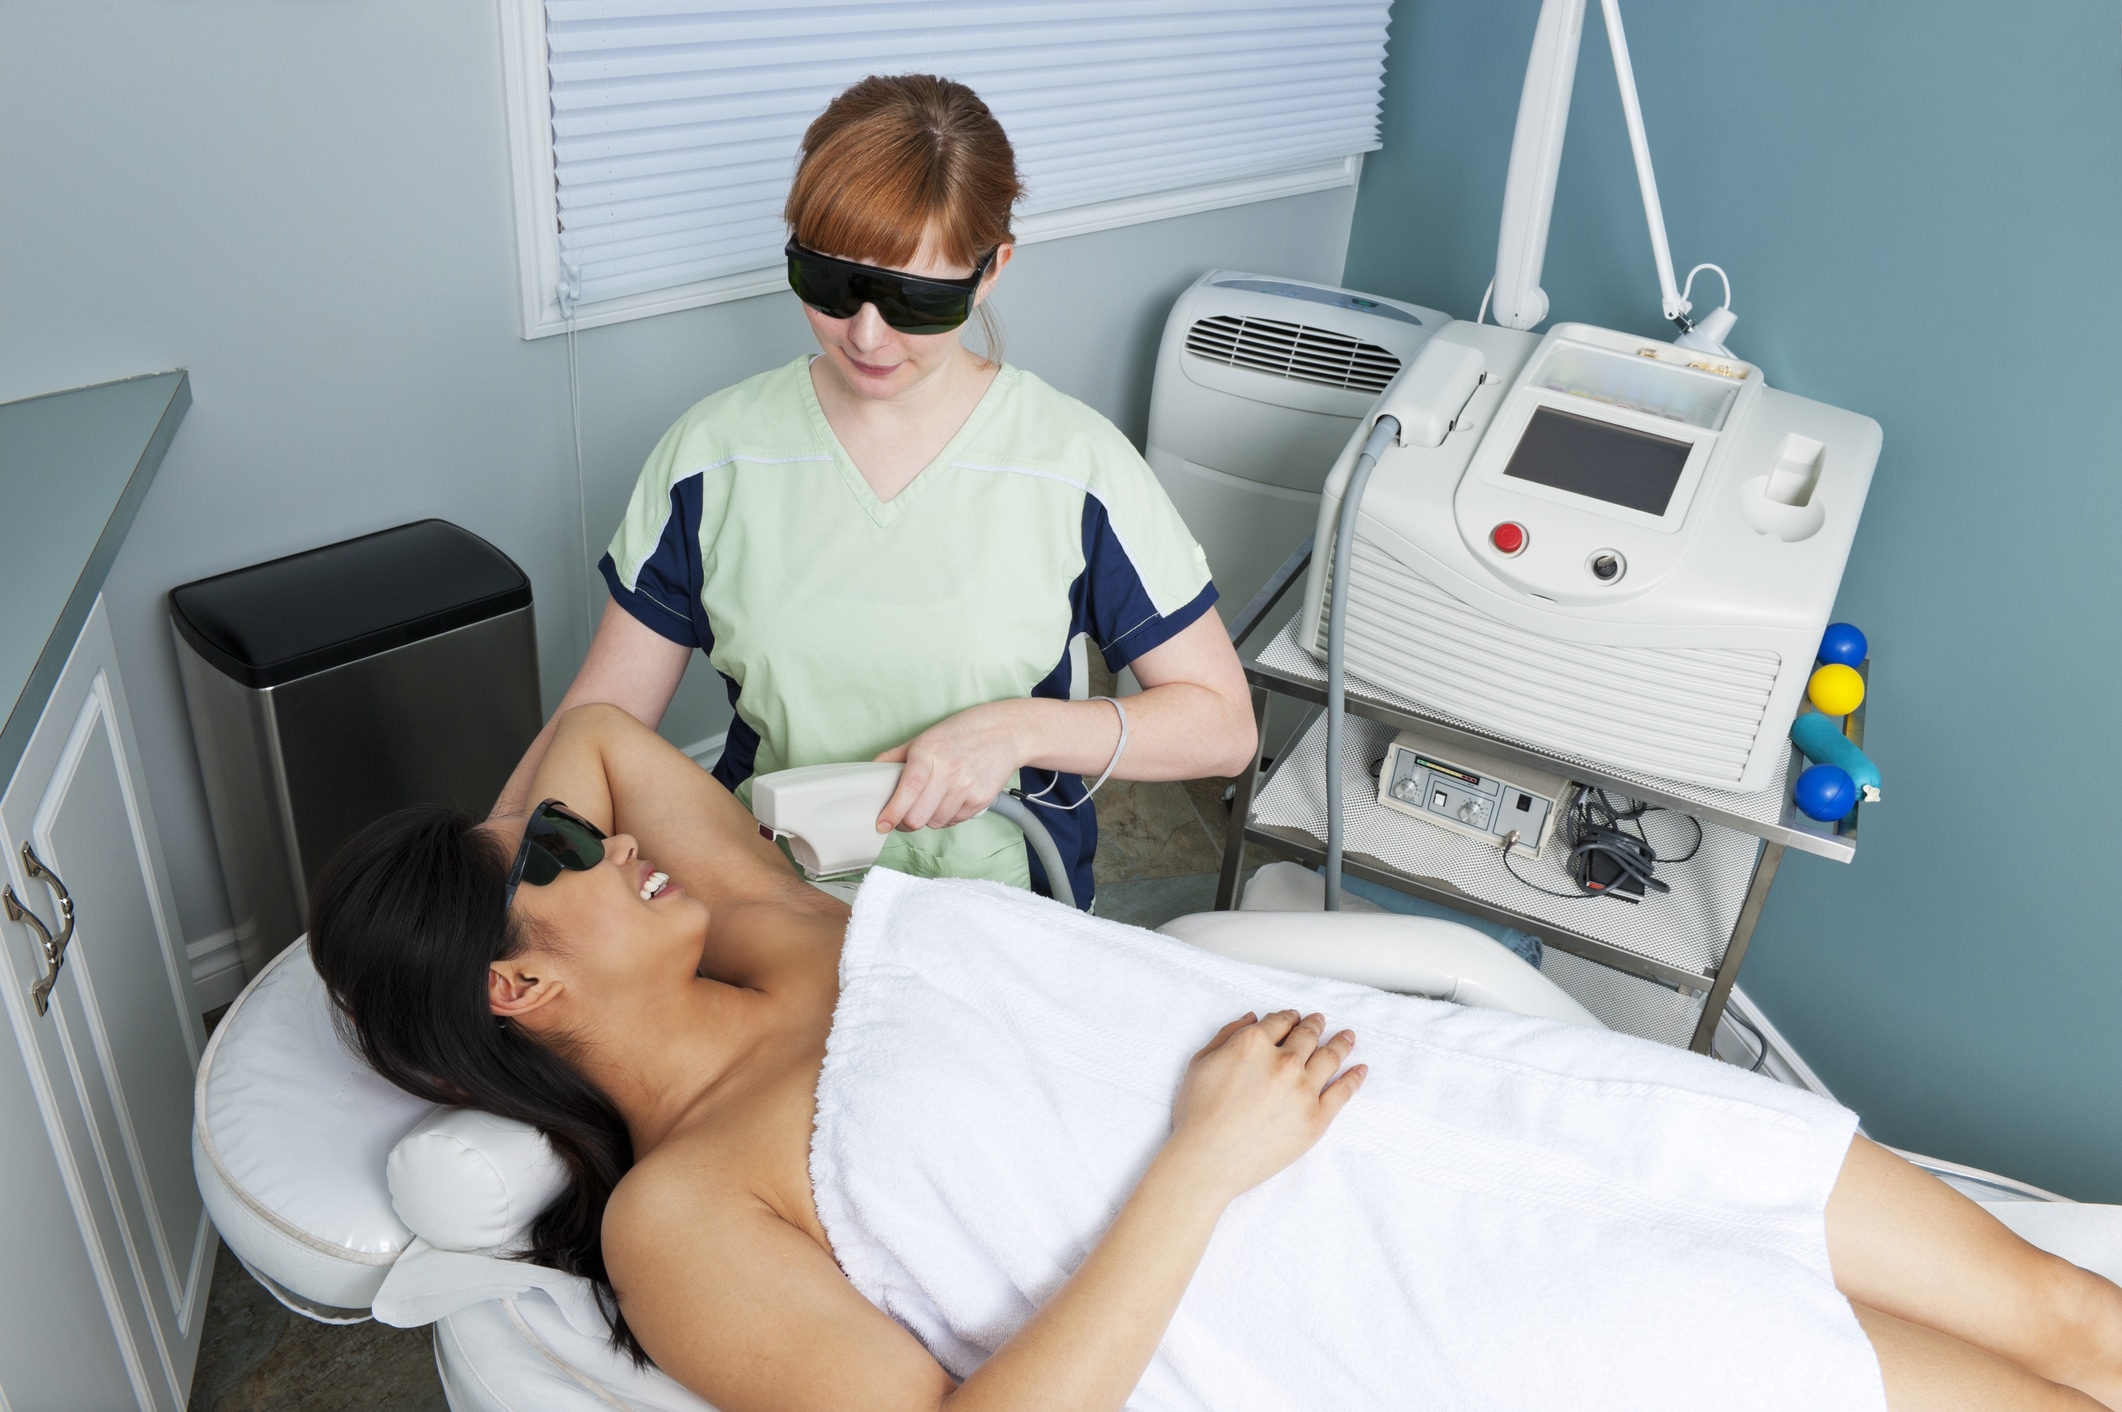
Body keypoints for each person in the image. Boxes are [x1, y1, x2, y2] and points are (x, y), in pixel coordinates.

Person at [317, 704, 2122, 1412]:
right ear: (519, 996)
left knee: (2064, 1310)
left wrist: (520, 892)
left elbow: (600, 737)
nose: (594, 838)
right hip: (1399, 1296)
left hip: (1467, 1098)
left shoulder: (768, 922)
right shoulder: (685, 1217)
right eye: (547, 874)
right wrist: (1203, 1164)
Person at [496, 74, 1254, 909]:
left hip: (996, 905)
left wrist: (1020, 729)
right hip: (769, 899)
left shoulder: (1075, 468)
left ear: (991, 269)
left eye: (916, 299)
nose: (865, 334)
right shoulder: (712, 460)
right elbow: (598, 720)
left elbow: (1222, 726)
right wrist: (480, 876)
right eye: (830, 284)